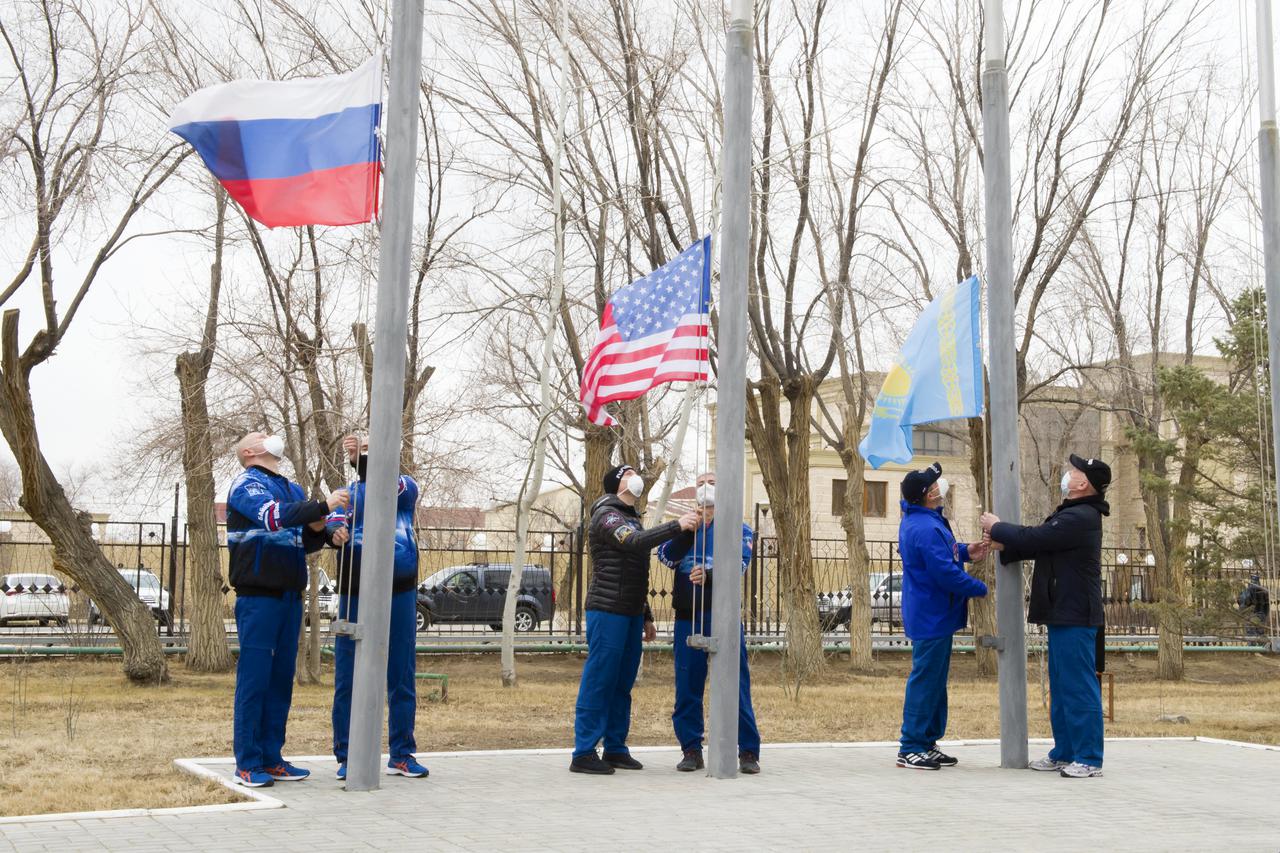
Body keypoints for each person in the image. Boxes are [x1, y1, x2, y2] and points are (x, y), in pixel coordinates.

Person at [227, 431, 349, 788]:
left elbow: (305, 533)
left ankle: (271, 756)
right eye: (259, 436)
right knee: (255, 680)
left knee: (281, 681)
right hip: (257, 598)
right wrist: (323, 507)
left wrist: (328, 534)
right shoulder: (246, 485)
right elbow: (271, 518)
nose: (269, 436)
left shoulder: (292, 489)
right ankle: (247, 762)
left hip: (290, 597)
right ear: (249, 451)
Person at [982, 453, 1111, 779]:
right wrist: (1004, 545)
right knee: (1062, 685)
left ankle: (1089, 758)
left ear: (1084, 483)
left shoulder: (1081, 516)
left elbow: (1036, 537)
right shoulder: (1070, 515)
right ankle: (1064, 751)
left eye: (1075, 470)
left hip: (1076, 614)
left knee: (1079, 687)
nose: (1069, 473)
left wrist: (998, 526)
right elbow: (1042, 544)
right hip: (1063, 612)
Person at [571, 464, 699, 775]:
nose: (635, 476)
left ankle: (615, 747)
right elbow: (631, 542)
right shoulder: (607, 514)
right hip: (607, 610)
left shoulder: (632, 517)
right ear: (617, 483)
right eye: (627, 473)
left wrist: (646, 615)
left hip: (629, 612)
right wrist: (676, 526)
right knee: (600, 679)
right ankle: (584, 751)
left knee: (622, 683)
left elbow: (635, 574)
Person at [326, 435, 428, 781]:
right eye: (362, 451)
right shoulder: (345, 495)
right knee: (348, 676)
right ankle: (347, 755)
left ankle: (401, 753)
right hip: (355, 592)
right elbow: (330, 525)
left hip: (399, 591)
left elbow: (390, 482)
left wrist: (365, 454)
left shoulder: (404, 487)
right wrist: (333, 532)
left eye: (374, 449)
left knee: (401, 674)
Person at [656, 471, 762, 774]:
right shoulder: (685, 525)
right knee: (687, 684)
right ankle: (691, 749)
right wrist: (686, 530)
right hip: (689, 617)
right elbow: (666, 557)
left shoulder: (738, 528)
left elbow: (740, 565)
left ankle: (748, 752)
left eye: (713, 483)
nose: (706, 489)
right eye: (701, 483)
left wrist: (710, 576)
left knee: (736, 685)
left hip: (723, 618)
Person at [895, 462, 989, 771]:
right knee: (925, 681)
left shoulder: (926, 520)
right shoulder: (923, 526)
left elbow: (943, 555)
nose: (940, 487)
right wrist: (979, 588)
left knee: (934, 681)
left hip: (936, 613)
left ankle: (927, 742)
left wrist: (965, 551)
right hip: (931, 614)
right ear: (926, 494)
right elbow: (943, 573)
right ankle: (910, 746)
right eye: (935, 485)